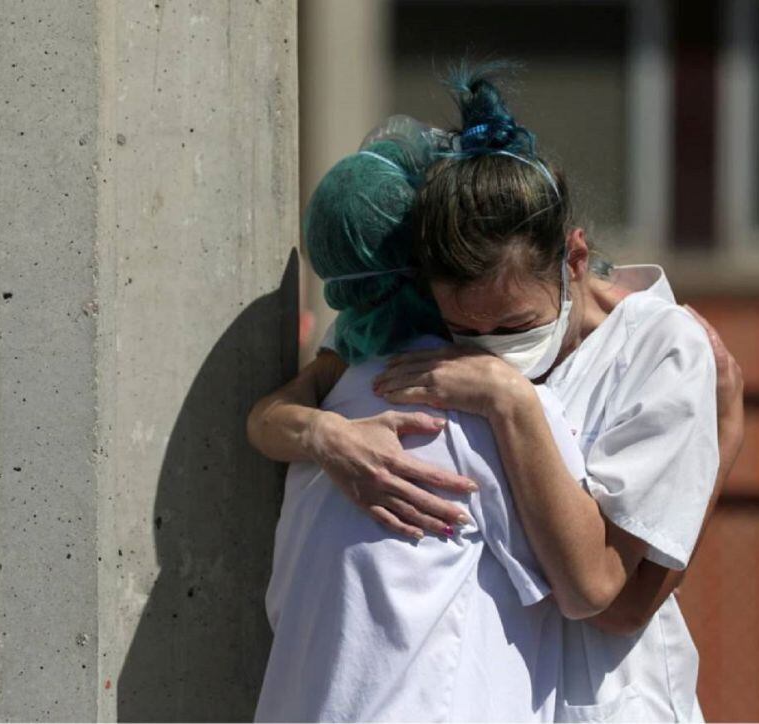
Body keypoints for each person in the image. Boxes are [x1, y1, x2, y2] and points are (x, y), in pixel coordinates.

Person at [248, 65, 745, 721]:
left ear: (572, 259)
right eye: (466, 329)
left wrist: (509, 401)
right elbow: (273, 415)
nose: (487, 347)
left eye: (514, 327)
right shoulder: (412, 325)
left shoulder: (661, 352)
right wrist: (328, 436)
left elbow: (610, 596)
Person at [253, 132, 592, 722]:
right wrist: (512, 398)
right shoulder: (485, 417)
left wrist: (319, 432)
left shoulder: (335, 401)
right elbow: (594, 586)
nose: (497, 343)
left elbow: (265, 419)